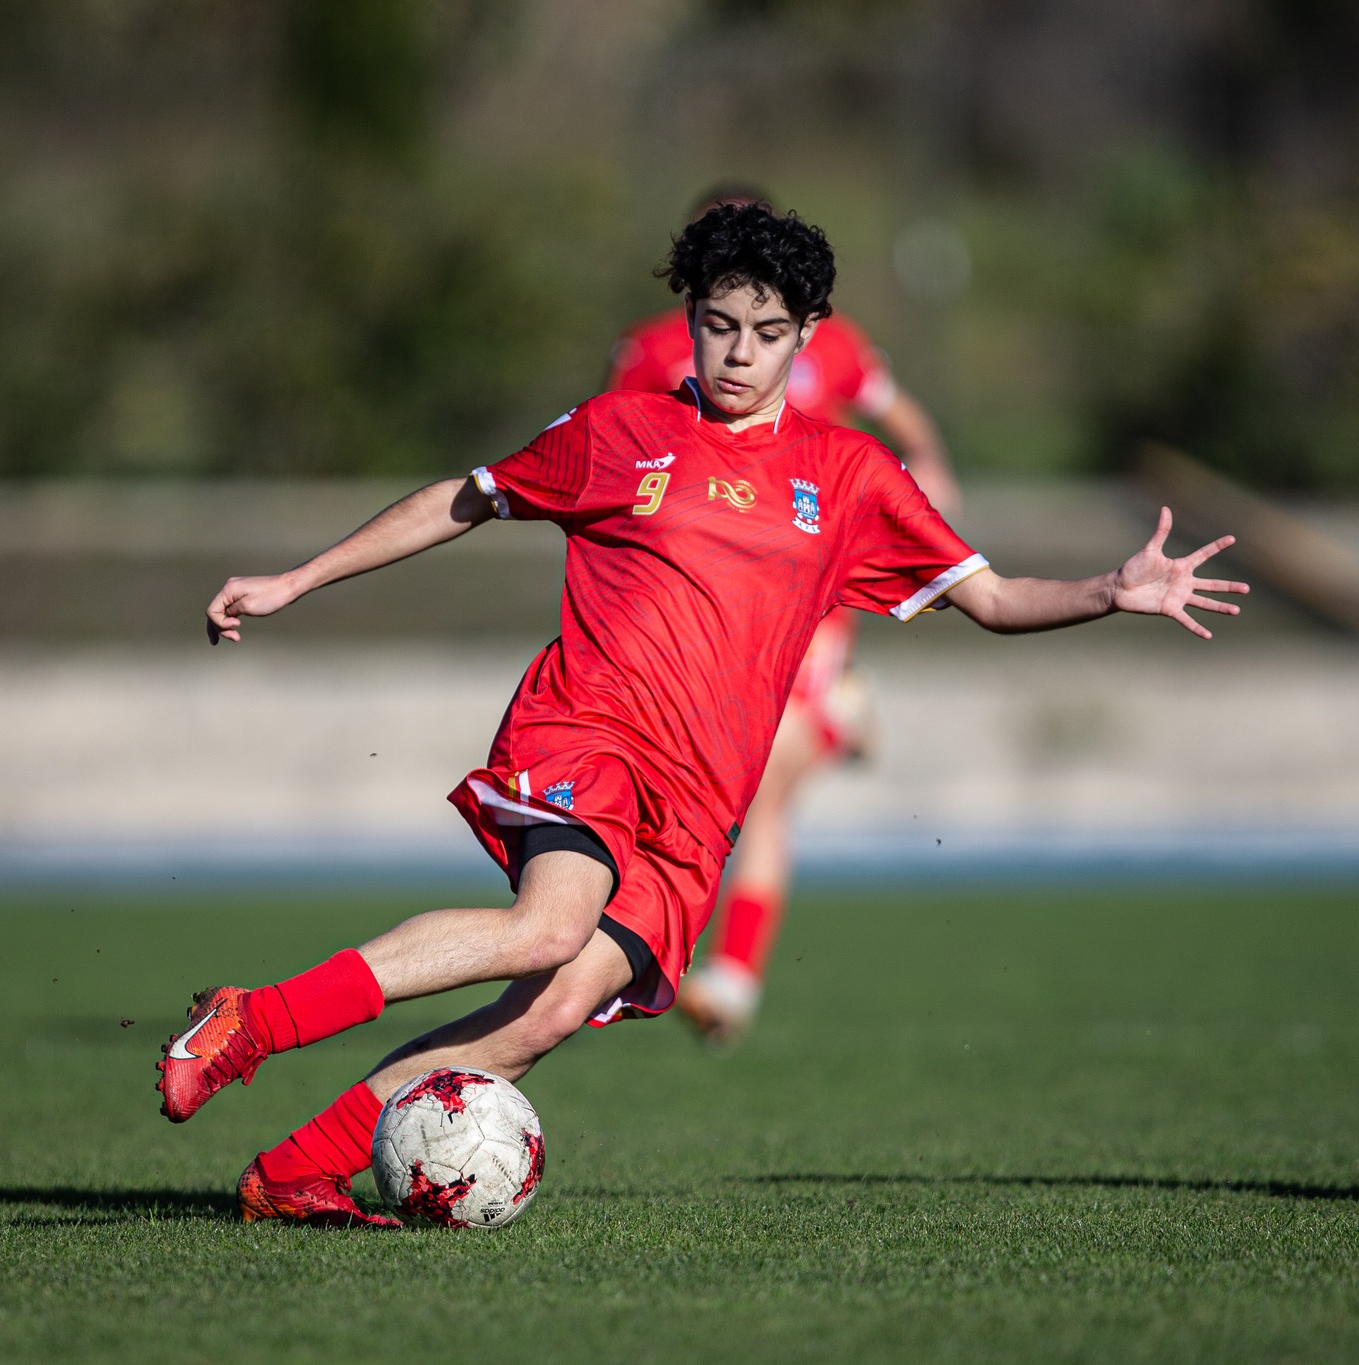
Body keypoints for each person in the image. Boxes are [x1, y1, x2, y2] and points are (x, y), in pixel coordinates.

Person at [167, 203, 1245, 1227]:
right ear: (687, 320)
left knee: (542, 1016)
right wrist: (297, 580)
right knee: (548, 925)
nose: (735, 353)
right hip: (586, 729)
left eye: (765, 333)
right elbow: (466, 495)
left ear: (805, 337)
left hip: (698, 806)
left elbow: (994, 599)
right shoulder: (617, 429)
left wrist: (1110, 591)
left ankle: (293, 1170)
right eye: (717, 325)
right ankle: (252, 1020)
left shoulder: (851, 475)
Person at [608, 185, 963, 1045]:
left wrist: (931, 472)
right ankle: (841, 718)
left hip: (804, 592)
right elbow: (617, 453)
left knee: (761, 789)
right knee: (711, 786)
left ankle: (730, 977)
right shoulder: (658, 351)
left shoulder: (827, 340)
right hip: (702, 601)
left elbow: (899, 413)